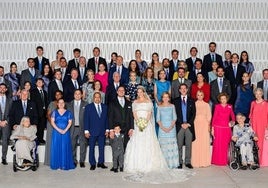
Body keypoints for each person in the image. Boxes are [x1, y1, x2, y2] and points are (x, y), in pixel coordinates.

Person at [124, 86, 193, 184]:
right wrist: (139, 123)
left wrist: (145, 123)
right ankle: (137, 164)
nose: (139, 93)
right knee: (138, 143)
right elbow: (134, 114)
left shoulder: (149, 103)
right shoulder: (134, 103)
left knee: (148, 143)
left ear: (144, 92)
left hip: (147, 125)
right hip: (138, 124)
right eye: (138, 92)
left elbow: (149, 114)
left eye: (141, 92)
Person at [84, 92, 109, 170]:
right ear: (93, 98)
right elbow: (86, 119)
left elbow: (107, 119)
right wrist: (86, 131)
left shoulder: (105, 107)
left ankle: (101, 163)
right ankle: (92, 163)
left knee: (102, 148)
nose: (97, 98)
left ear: (101, 98)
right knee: (91, 148)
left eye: (99, 97)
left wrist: (107, 129)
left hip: (102, 131)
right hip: (92, 131)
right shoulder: (88, 107)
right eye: (96, 97)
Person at [174, 84, 196, 169]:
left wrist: (188, 123)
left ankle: (187, 162)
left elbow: (194, 113)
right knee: (179, 145)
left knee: (188, 145)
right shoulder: (175, 101)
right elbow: (175, 114)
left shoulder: (192, 100)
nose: (183, 90)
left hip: (189, 126)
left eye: (184, 88)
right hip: (180, 126)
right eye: (181, 88)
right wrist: (181, 124)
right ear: (179, 90)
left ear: (187, 90)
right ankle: (179, 162)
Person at [50, 98, 74, 170]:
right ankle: (57, 165)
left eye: (62, 102)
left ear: (64, 104)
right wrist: (59, 130)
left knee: (64, 147)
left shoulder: (68, 113)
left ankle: (64, 164)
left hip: (65, 132)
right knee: (57, 147)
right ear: (57, 104)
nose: (61, 104)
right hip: (56, 132)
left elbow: (70, 122)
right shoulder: (54, 112)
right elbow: (52, 122)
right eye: (59, 103)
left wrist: (65, 130)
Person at [211, 93, 235, 166]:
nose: (223, 100)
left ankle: (225, 161)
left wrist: (232, 122)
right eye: (222, 99)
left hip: (226, 128)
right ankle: (216, 161)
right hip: (218, 128)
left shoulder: (230, 106)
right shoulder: (217, 106)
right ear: (219, 100)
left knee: (225, 145)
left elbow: (233, 117)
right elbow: (214, 117)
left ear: (227, 99)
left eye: (224, 98)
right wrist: (212, 128)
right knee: (217, 145)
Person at [156, 92, 179, 168]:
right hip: (162, 129)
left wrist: (170, 127)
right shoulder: (159, 107)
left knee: (171, 147)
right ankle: (164, 164)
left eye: (167, 97)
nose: (165, 98)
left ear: (169, 98)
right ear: (162, 98)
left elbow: (174, 118)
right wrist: (163, 128)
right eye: (164, 97)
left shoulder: (172, 106)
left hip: (171, 129)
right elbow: (158, 119)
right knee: (163, 147)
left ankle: (172, 163)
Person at [108, 86, 134, 151]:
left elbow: (131, 116)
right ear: (117, 92)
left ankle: (124, 161)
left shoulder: (129, 103)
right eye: (120, 90)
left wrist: (131, 128)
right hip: (116, 128)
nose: (121, 92)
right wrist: (111, 130)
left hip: (127, 129)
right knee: (117, 148)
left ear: (125, 92)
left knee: (126, 147)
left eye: (123, 90)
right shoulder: (112, 103)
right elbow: (110, 117)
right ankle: (118, 161)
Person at [67, 89, 88, 168]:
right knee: (72, 145)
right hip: (72, 128)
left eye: (79, 94)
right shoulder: (69, 104)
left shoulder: (86, 104)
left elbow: (88, 118)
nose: (77, 95)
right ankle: (74, 161)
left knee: (83, 145)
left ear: (82, 95)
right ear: (74, 95)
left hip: (82, 128)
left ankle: (82, 161)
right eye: (76, 93)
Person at [191, 90, 211, 168]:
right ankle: (196, 161)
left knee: (204, 142)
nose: (199, 96)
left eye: (201, 95)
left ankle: (204, 161)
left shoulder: (207, 105)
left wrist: (208, 125)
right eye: (198, 95)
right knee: (196, 142)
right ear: (196, 96)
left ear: (203, 96)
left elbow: (209, 116)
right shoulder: (193, 104)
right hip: (195, 124)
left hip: (204, 125)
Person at [249, 88, 268, 166]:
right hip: (254, 124)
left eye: (259, 93)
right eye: (256, 94)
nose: (258, 95)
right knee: (254, 142)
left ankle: (261, 160)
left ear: (262, 94)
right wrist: (251, 125)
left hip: (263, 125)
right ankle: (253, 160)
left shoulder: (266, 103)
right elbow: (250, 114)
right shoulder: (253, 103)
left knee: (261, 142)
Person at [44, 90, 63, 166]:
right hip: (51, 125)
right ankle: (49, 161)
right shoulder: (52, 104)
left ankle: (59, 160)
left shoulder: (64, 104)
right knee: (50, 142)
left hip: (61, 126)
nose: (57, 96)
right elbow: (48, 115)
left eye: (59, 94)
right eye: (56, 95)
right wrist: (53, 123)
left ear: (61, 95)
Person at [30, 78, 48, 144]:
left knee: (42, 126)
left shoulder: (45, 92)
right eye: (38, 82)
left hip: (43, 112)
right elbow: (32, 102)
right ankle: (35, 139)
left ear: (43, 83)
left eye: (41, 82)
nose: (40, 83)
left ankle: (41, 138)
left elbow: (46, 102)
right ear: (36, 83)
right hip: (36, 112)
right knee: (36, 126)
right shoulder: (33, 91)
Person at [0, 83, 13, 165]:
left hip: (6, 122)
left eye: (4, 88)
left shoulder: (10, 100)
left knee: (5, 140)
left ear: (6, 89)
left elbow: (11, 113)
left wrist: (6, 121)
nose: (2, 89)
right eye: (0, 87)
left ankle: (3, 158)